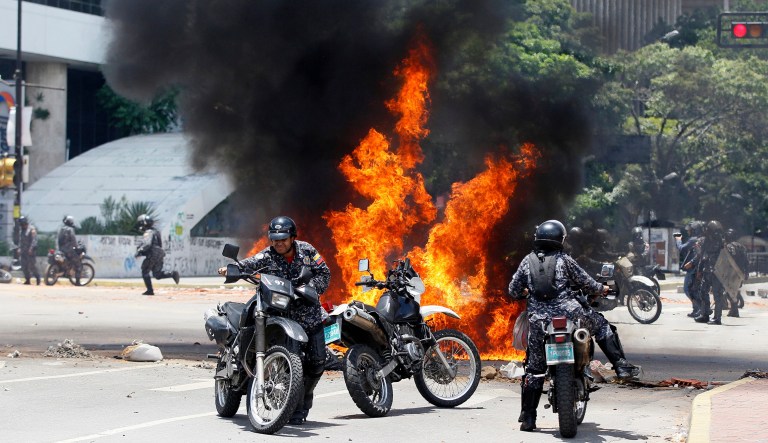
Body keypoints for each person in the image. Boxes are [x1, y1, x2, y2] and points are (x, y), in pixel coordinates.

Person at [508, 220, 639, 432]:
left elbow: (513, 290)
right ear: (560, 240)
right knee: (602, 325)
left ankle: (528, 418)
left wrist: (526, 293)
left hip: (539, 322)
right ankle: (622, 366)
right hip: (570, 314)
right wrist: (603, 288)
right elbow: (587, 283)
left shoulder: (526, 261)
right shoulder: (564, 260)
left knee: (534, 369)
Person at [218, 216, 331, 425]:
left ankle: (304, 401)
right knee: (254, 321)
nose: (279, 243)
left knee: (317, 363)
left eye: (283, 239)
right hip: (279, 314)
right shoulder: (268, 255)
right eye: (275, 239)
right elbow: (251, 263)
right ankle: (244, 363)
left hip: (308, 315)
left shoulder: (307, 251)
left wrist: (309, 289)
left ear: (292, 237)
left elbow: (324, 273)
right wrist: (232, 268)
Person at [692, 220, 727, 325]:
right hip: (706, 271)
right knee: (703, 292)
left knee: (717, 295)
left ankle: (717, 318)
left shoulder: (721, 242)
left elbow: (726, 258)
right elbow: (702, 256)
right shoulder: (706, 241)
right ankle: (705, 314)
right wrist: (699, 270)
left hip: (717, 273)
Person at [135, 214, 179, 295]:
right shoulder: (156, 232)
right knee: (157, 274)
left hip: (153, 253)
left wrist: (140, 251)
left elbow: (147, 244)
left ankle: (150, 290)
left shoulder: (148, 232)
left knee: (145, 271)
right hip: (160, 253)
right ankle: (172, 274)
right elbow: (159, 244)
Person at [675, 221, 704, 318]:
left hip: (693, 268)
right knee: (695, 289)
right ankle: (696, 309)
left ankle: (699, 308)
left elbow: (681, 248)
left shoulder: (693, 240)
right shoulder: (701, 239)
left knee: (687, 289)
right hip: (699, 267)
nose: (688, 232)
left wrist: (678, 239)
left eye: (690, 230)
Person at [725, 228, 749, 318]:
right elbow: (746, 261)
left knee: (728, 292)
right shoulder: (742, 247)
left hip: (731, 272)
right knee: (732, 291)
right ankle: (734, 309)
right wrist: (746, 273)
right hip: (740, 273)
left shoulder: (728, 246)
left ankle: (734, 310)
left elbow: (726, 261)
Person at [15, 216, 41, 285]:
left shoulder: (31, 229)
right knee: (24, 266)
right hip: (23, 251)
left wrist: (31, 248)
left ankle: (38, 278)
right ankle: (27, 279)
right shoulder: (22, 230)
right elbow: (21, 241)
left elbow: (34, 240)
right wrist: (19, 248)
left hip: (30, 252)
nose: (21, 225)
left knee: (32, 266)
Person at [57, 215, 82, 285]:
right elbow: (73, 240)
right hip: (69, 250)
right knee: (78, 264)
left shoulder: (61, 229)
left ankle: (66, 271)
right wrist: (76, 247)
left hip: (61, 250)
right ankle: (77, 282)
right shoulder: (70, 230)